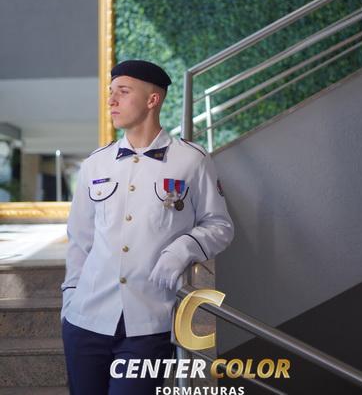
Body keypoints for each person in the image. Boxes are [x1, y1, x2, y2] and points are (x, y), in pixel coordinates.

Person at [61, 59, 235, 395]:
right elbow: (79, 241)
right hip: (84, 321)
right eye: (111, 92)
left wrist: (182, 249)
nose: (111, 100)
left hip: (149, 325)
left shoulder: (191, 159)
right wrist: (69, 301)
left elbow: (219, 225)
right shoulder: (95, 163)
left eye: (123, 92)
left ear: (152, 100)